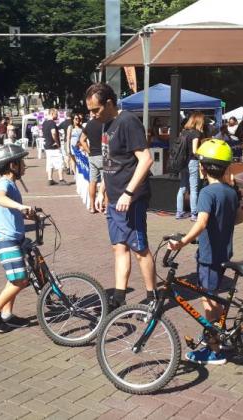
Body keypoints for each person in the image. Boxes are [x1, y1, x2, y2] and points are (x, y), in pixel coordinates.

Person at [168, 139, 243, 365]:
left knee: (208, 302)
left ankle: (215, 349)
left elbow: (200, 223)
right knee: (211, 296)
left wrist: (182, 241)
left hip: (209, 256)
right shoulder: (230, 192)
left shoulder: (207, 193)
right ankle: (222, 333)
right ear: (226, 167)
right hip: (224, 253)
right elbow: (240, 218)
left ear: (202, 167)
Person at [85, 82, 157, 310]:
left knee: (139, 248)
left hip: (131, 199)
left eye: (95, 110)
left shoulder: (128, 121)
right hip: (114, 198)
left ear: (108, 103)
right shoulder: (106, 125)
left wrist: (128, 193)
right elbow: (110, 162)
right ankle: (118, 297)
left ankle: (152, 297)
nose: (92, 115)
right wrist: (103, 191)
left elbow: (146, 159)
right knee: (119, 247)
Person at [0, 144, 34, 333]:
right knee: (21, 279)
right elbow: (0, 199)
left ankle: (7, 315)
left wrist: (27, 214)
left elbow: (9, 210)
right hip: (6, 239)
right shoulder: (4, 183)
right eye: (22, 162)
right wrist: (20, 207)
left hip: (15, 237)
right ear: (12, 165)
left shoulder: (12, 184)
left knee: (14, 279)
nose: (24, 165)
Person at [175, 111, 204, 221]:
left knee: (182, 187)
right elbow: (194, 150)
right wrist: (202, 157)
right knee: (194, 189)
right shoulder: (196, 133)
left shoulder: (184, 132)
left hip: (182, 163)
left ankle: (179, 212)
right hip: (192, 162)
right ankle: (193, 214)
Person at [79, 115, 103, 213]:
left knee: (92, 181)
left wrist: (89, 151)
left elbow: (82, 140)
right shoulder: (104, 123)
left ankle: (92, 207)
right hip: (102, 155)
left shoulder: (89, 124)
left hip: (92, 156)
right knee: (106, 181)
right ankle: (105, 208)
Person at [43, 109, 66, 186]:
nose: (57, 116)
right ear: (52, 114)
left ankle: (50, 179)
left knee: (50, 163)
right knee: (60, 162)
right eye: (56, 114)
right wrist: (57, 142)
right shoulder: (52, 123)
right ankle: (61, 179)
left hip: (47, 146)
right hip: (54, 146)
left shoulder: (44, 123)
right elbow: (53, 133)